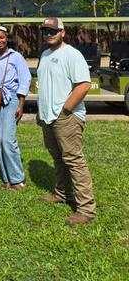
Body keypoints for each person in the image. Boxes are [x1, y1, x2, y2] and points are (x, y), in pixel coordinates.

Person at [37, 17, 96, 225]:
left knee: (73, 160)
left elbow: (84, 85)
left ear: (62, 32)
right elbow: (45, 86)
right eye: (46, 31)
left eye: (53, 31)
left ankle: (86, 209)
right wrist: (41, 112)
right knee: (58, 157)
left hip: (66, 117)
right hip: (48, 117)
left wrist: (66, 109)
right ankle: (62, 194)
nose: (49, 34)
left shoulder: (72, 54)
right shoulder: (45, 54)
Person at [0, 25, 31, 190]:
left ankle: (18, 179)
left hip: (12, 98)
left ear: (7, 38)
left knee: (8, 140)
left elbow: (25, 79)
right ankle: (7, 178)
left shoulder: (16, 56)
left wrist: (21, 104)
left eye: (2, 37)